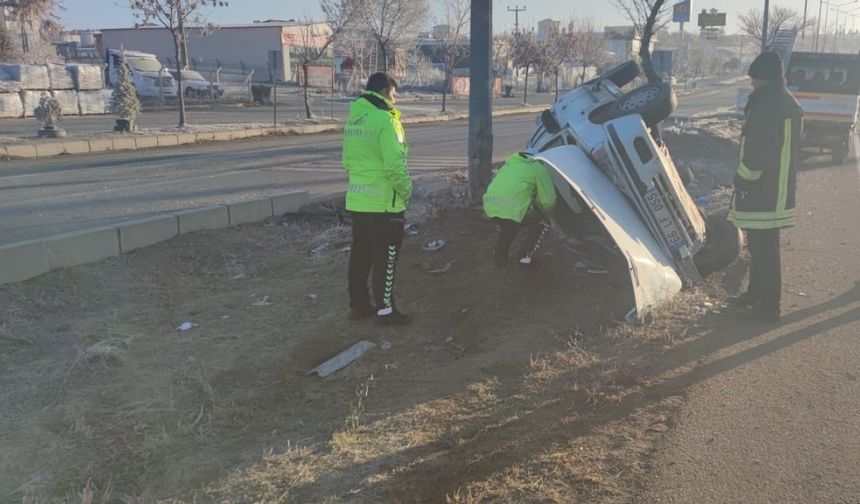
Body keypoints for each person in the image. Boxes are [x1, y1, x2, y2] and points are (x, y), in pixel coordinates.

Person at [728, 52, 803, 323]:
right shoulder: (785, 102)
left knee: (765, 250)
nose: (752, 84)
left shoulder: (767, 105)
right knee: (761, 248)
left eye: (754, 78)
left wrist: (743, 178)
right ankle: (756, 294)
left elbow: (758, 151)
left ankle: (768, 305)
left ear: (762, 78)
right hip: (776, 188)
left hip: (763, 190)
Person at [342, 72, 413, 326]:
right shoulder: (386, 120)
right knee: (386, 257)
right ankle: (386, 312)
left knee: (360, 255)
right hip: (385, 204)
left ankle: (359, 305)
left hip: (359, 202)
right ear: (384, 92)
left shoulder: (354, 120)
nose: (395, 101)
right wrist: (406, 191)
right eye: (393, 95)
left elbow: (347, 161)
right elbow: (395, 165)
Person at [483, 150, 557, 268]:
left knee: (509, 227)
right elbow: (548, 200)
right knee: (541, 224)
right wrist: (546, 213)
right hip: (511, 207)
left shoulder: (509, 164)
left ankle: (500, 256)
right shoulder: (539, 169)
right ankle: (524, 257)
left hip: (490, 204)